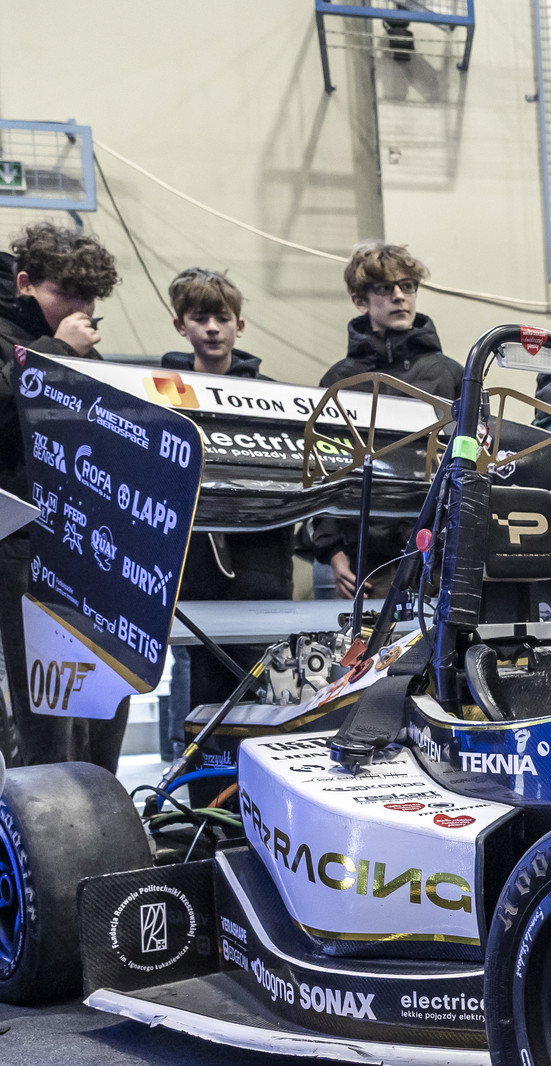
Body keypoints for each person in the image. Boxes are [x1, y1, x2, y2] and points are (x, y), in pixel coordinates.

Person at [0, 222, 122, 767]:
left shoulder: (83, 350)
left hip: (82, 539)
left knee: (99, 694)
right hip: (17, 542)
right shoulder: (23, 340)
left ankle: (103, 803)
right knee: (41, 706)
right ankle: (44, 812)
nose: (81, 309)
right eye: (66, 293)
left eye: (89, 296)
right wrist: (52, 351)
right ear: (25, 282)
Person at [160, 269, 293, 752]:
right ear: (181, 326)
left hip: (262, 559)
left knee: (264, 683)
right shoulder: (160, 392)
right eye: (200, 318)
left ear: (240, 325)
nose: (212, 328)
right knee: (202, 682)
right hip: (192, 563)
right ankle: (201, 791)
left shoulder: (274, 395)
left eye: (222, 318)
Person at [310, 241, 463, 600]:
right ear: (359, 300)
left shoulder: (451, 375)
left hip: (437, 557)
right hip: (366, 563)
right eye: (385, 288)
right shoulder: (338, 381)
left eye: (407, 286)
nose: (399, 296)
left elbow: (473, 465)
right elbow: (324, 470)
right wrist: (332, 552)